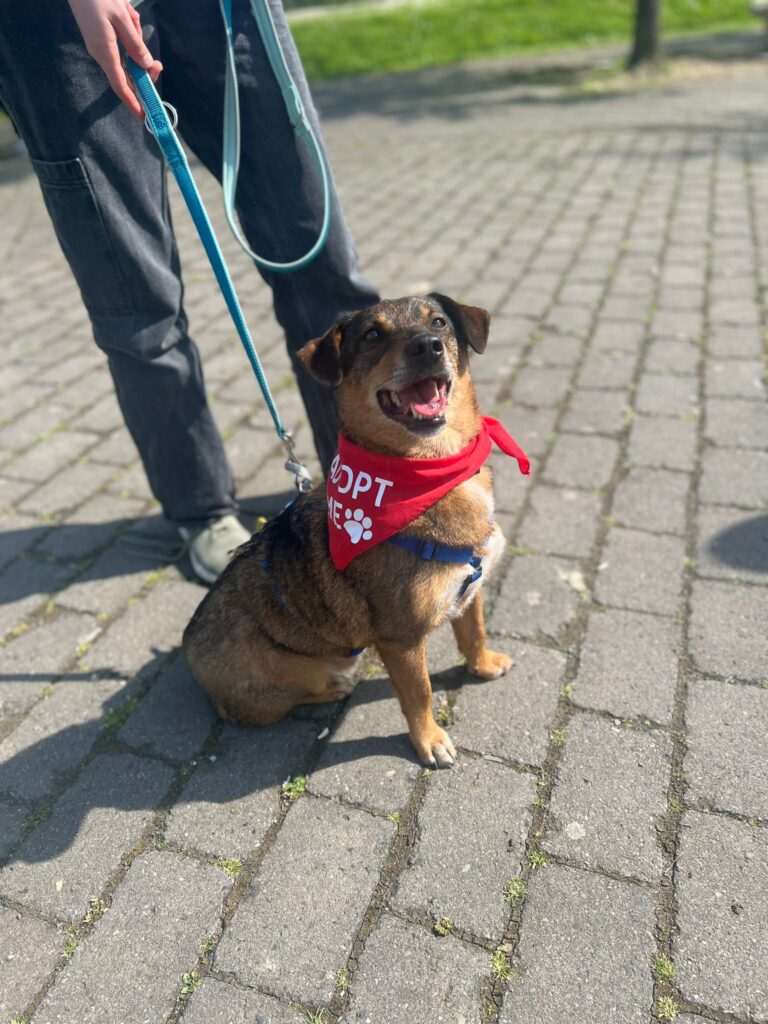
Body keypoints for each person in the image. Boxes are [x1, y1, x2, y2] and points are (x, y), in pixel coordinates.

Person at [0, 0, 379, 582]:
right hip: (54, 24)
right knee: (136, 304)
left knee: (321, 263)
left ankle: (368, 473)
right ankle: (201, 508)